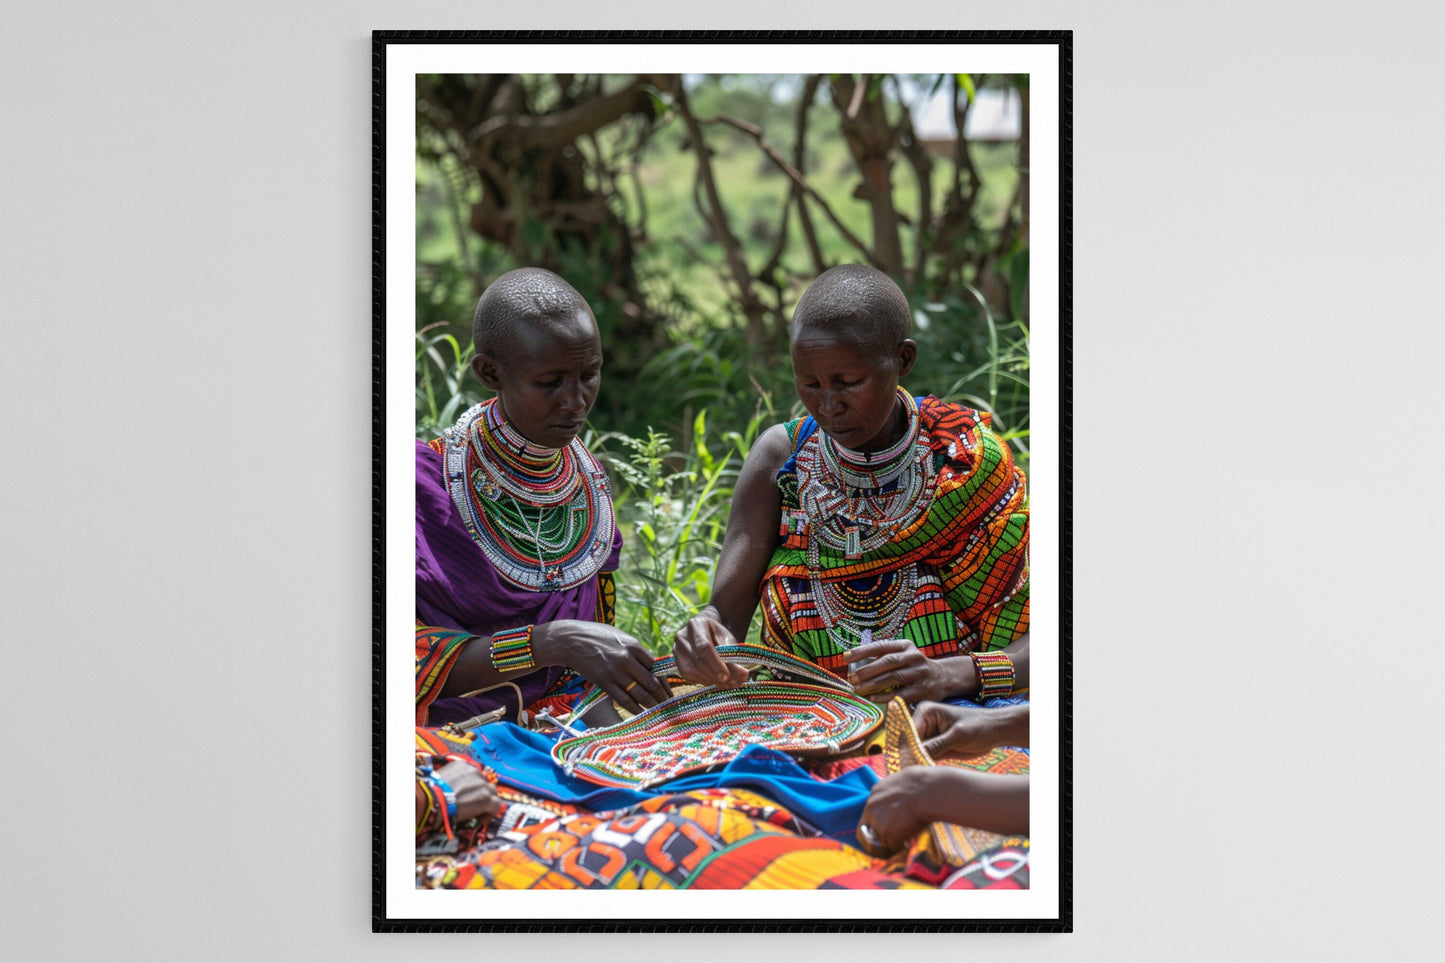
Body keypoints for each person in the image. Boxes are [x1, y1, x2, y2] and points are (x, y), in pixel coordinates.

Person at [673, 264, 1030, 708]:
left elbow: (1042, 644)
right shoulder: (780, 461)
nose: (827, 405)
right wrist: (706, 634)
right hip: (805, 720)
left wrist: (948, 675)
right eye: (809, 383)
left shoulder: (965, 462)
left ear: (903, 359)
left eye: (849, 383)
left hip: (958, 716)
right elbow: (726, 614)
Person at [415, 268, 671, 727]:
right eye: (550, 382)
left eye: (589, 375)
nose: (575, 401)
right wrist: (550, 641)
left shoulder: (587, 495)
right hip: (446, 730)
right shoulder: (418, 489)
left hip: (559, 718)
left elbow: (580, 673)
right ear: (490, 373)